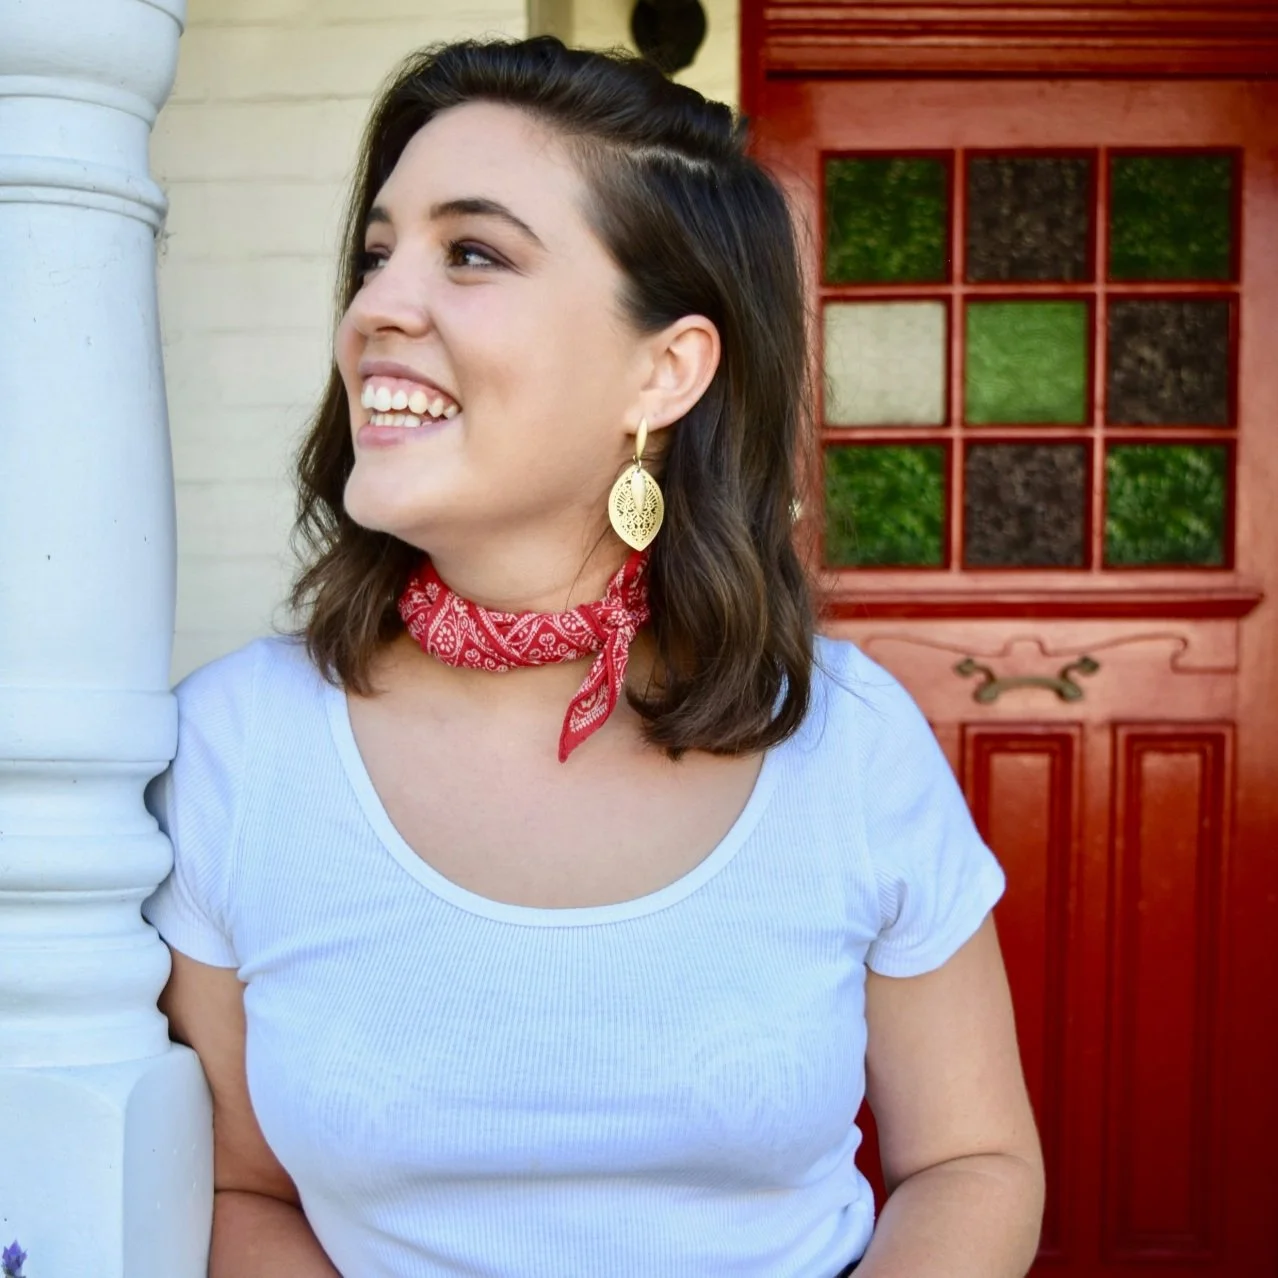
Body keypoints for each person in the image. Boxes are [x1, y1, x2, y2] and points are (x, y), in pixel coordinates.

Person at [142, 36, 1044, 1278]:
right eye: (377, 253)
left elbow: (974, 1164)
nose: (376, 310)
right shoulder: (235, 751)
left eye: (472, 252)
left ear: (663, 370)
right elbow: (246, 1193)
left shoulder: (845, 736)